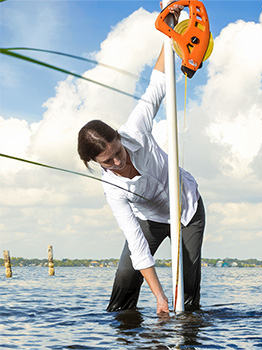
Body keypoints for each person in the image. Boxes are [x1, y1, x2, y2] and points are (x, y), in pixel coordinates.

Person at [77, 3, 205, 315]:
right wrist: (159, 298)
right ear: (96, 163)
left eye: (117, 152)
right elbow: (138, 247)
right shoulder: (113, 189)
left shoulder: (135, 129)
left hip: (187, 206)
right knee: (125, 273)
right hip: (150, 217)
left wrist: (171, 29)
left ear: (118, 138)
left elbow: (158, 84)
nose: (118, 162)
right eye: (108, 162)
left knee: (186, 283)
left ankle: (187, 328)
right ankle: (124, 326)